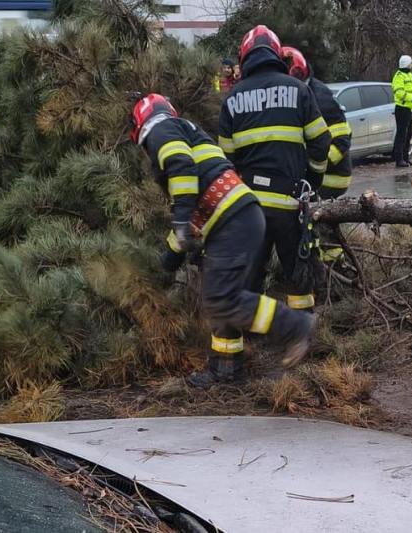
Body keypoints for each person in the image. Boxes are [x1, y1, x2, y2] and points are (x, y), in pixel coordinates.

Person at [130, 93, 315, 387]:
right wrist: (169, 256)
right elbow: (190, 211)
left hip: (232, 220)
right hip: (236, 218)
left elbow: (180, 168)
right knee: (216, 298)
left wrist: (179, 222)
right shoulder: (185, 132)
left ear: (141, 128)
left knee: (222, 297)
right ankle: (226, 370)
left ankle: (295, 326)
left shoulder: (162, 130)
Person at [219, 25, 332, 313]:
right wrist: (313, 179)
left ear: (244, 58)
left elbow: (226, 158)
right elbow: (321, 141)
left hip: (250, 208)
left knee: (251, 277)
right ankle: (301, 334)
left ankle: (252, 336)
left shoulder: (232, 99)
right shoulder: (299, 90)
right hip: (289, 202)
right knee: (298, 275)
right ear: (275, 54)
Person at [281, 46, 352, 200]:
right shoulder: (305, 92)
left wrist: (312, 166)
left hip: (331, 178)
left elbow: (342, 141)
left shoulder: (319, 98)